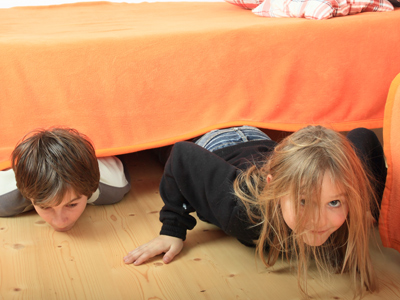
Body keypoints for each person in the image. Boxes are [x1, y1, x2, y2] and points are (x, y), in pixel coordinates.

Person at [123, 125, 387, 297]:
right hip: (217, 141)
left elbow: (364, 136)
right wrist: (172, 229)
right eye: (304, 202)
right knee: (161, 145)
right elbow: (182, 155)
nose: (318, 221)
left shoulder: (346, 194)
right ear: (275, 189)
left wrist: (370, 207)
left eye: (334, 203)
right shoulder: (242, 210)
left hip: (267, 146)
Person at [0, 127, 131, 232]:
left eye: (72, 205)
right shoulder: (4, 199)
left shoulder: (114, 185)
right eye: (45, 207)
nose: (60, 222)